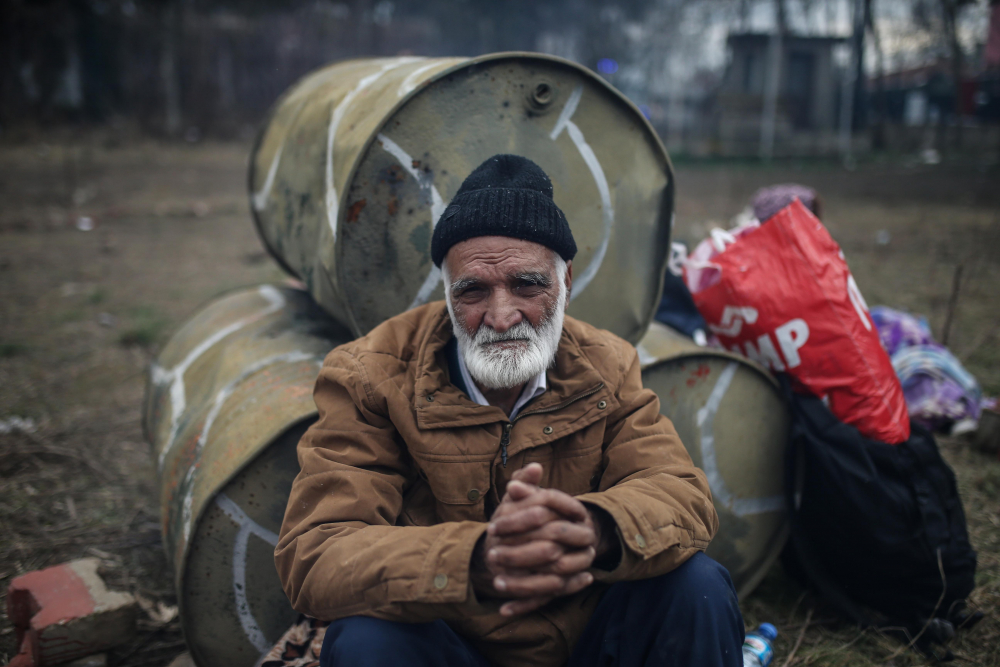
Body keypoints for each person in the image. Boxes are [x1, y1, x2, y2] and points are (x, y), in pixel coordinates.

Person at [275, 154, 744, 667]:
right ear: (446, 293)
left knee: (695, 585)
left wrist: (596, 529)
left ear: (565, 279)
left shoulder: (606, 363)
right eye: (473, 291)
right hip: (452, 644)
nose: (500, 317)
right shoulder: (369, 376)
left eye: (527, 285)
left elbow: (680, 494)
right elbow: (316, 551)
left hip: (585, 640)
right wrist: (474, 561)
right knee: (366, 638)